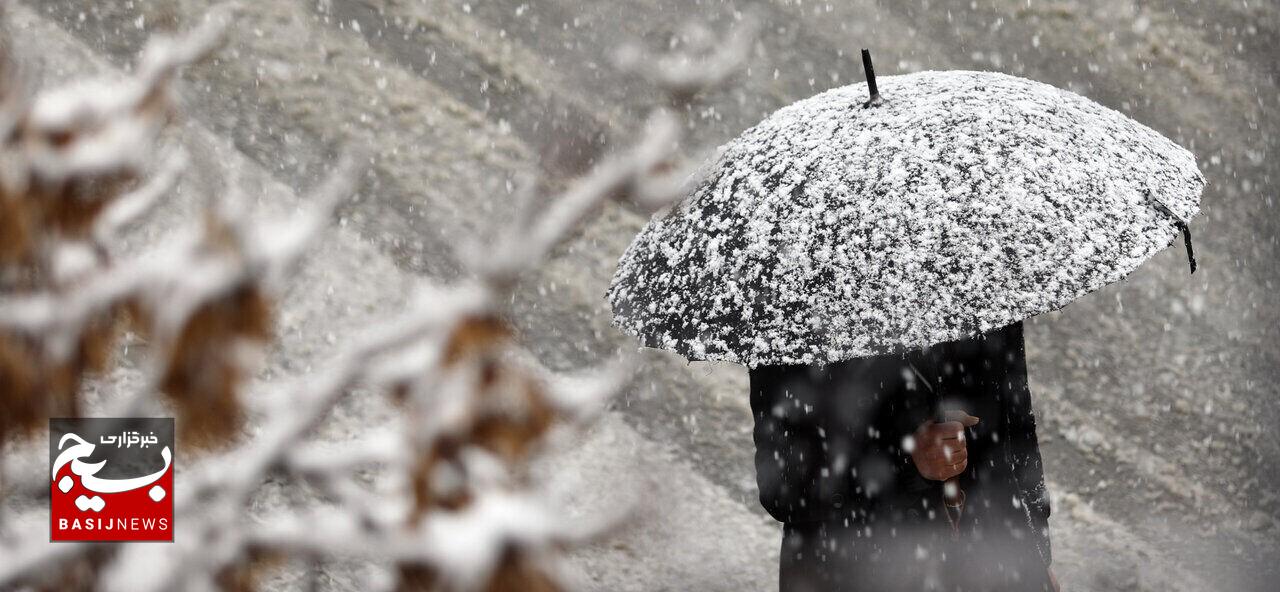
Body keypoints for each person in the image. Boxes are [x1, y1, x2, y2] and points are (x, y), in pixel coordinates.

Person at [750, 322, 1057, 591]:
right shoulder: (797, 304)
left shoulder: (980, 271)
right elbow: (784, 485)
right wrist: (906, 460)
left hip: (993, 557)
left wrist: (1036, 554)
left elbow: (1016, 423)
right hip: (857, 568)